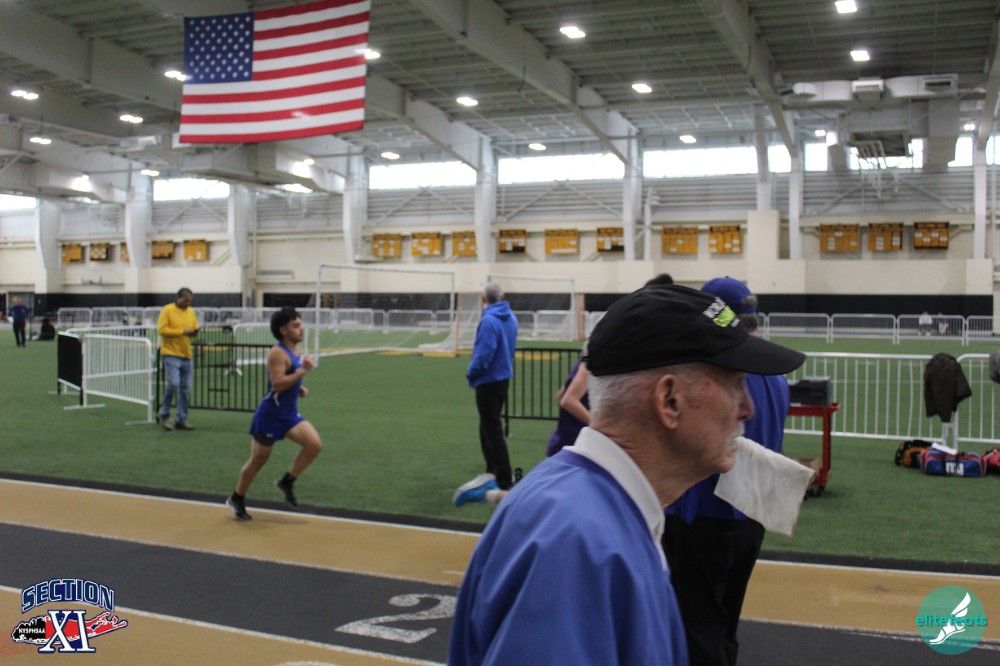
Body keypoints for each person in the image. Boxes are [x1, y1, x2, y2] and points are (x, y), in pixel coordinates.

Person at [448, 285, 805, 665]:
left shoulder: (599, 515)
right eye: (734, 385)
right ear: (669, 400)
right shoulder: (580, 546)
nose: (748, 408)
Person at [661, 277, 794, 666]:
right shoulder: (776, 375)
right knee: (725, 625)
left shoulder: (717, 371)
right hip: (752, 513)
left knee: (697, 629)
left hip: (705, 513)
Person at [226, 307, 323, 520]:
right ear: (283, 330)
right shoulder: (277, 353)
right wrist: (303, 371)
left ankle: (287, 481)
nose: (301, 329)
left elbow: (285, 381)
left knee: (314, 444)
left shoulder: (294, 351)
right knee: (258, 460)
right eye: (295, 326)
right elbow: (277, 384)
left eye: (300, 324)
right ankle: (236, 497)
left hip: (289, 415)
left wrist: (297, 388)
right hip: (270, 417)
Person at [463, 282, 518, 491]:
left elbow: (484, 354)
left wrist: (472, 372)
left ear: (483, 299)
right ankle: (492, 470)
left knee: (492, 430)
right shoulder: (511, 318)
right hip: (503, 379)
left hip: (488, 381)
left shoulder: (488, 321)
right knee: (488, 427)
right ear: (502, 297)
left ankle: (503, 477)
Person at [157, 287, 199, 431]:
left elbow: (194, 328)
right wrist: (182, 331)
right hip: (170, 353)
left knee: (186, 388)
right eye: (185, 301)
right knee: (173, 384)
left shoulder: (191, 312)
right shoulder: (167, 310)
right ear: (178, 298)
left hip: (186, 354)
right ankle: (164, 414)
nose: (188, 304)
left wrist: (194, 333)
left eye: (190, 301)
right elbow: (161, 330)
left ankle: (181, 419)